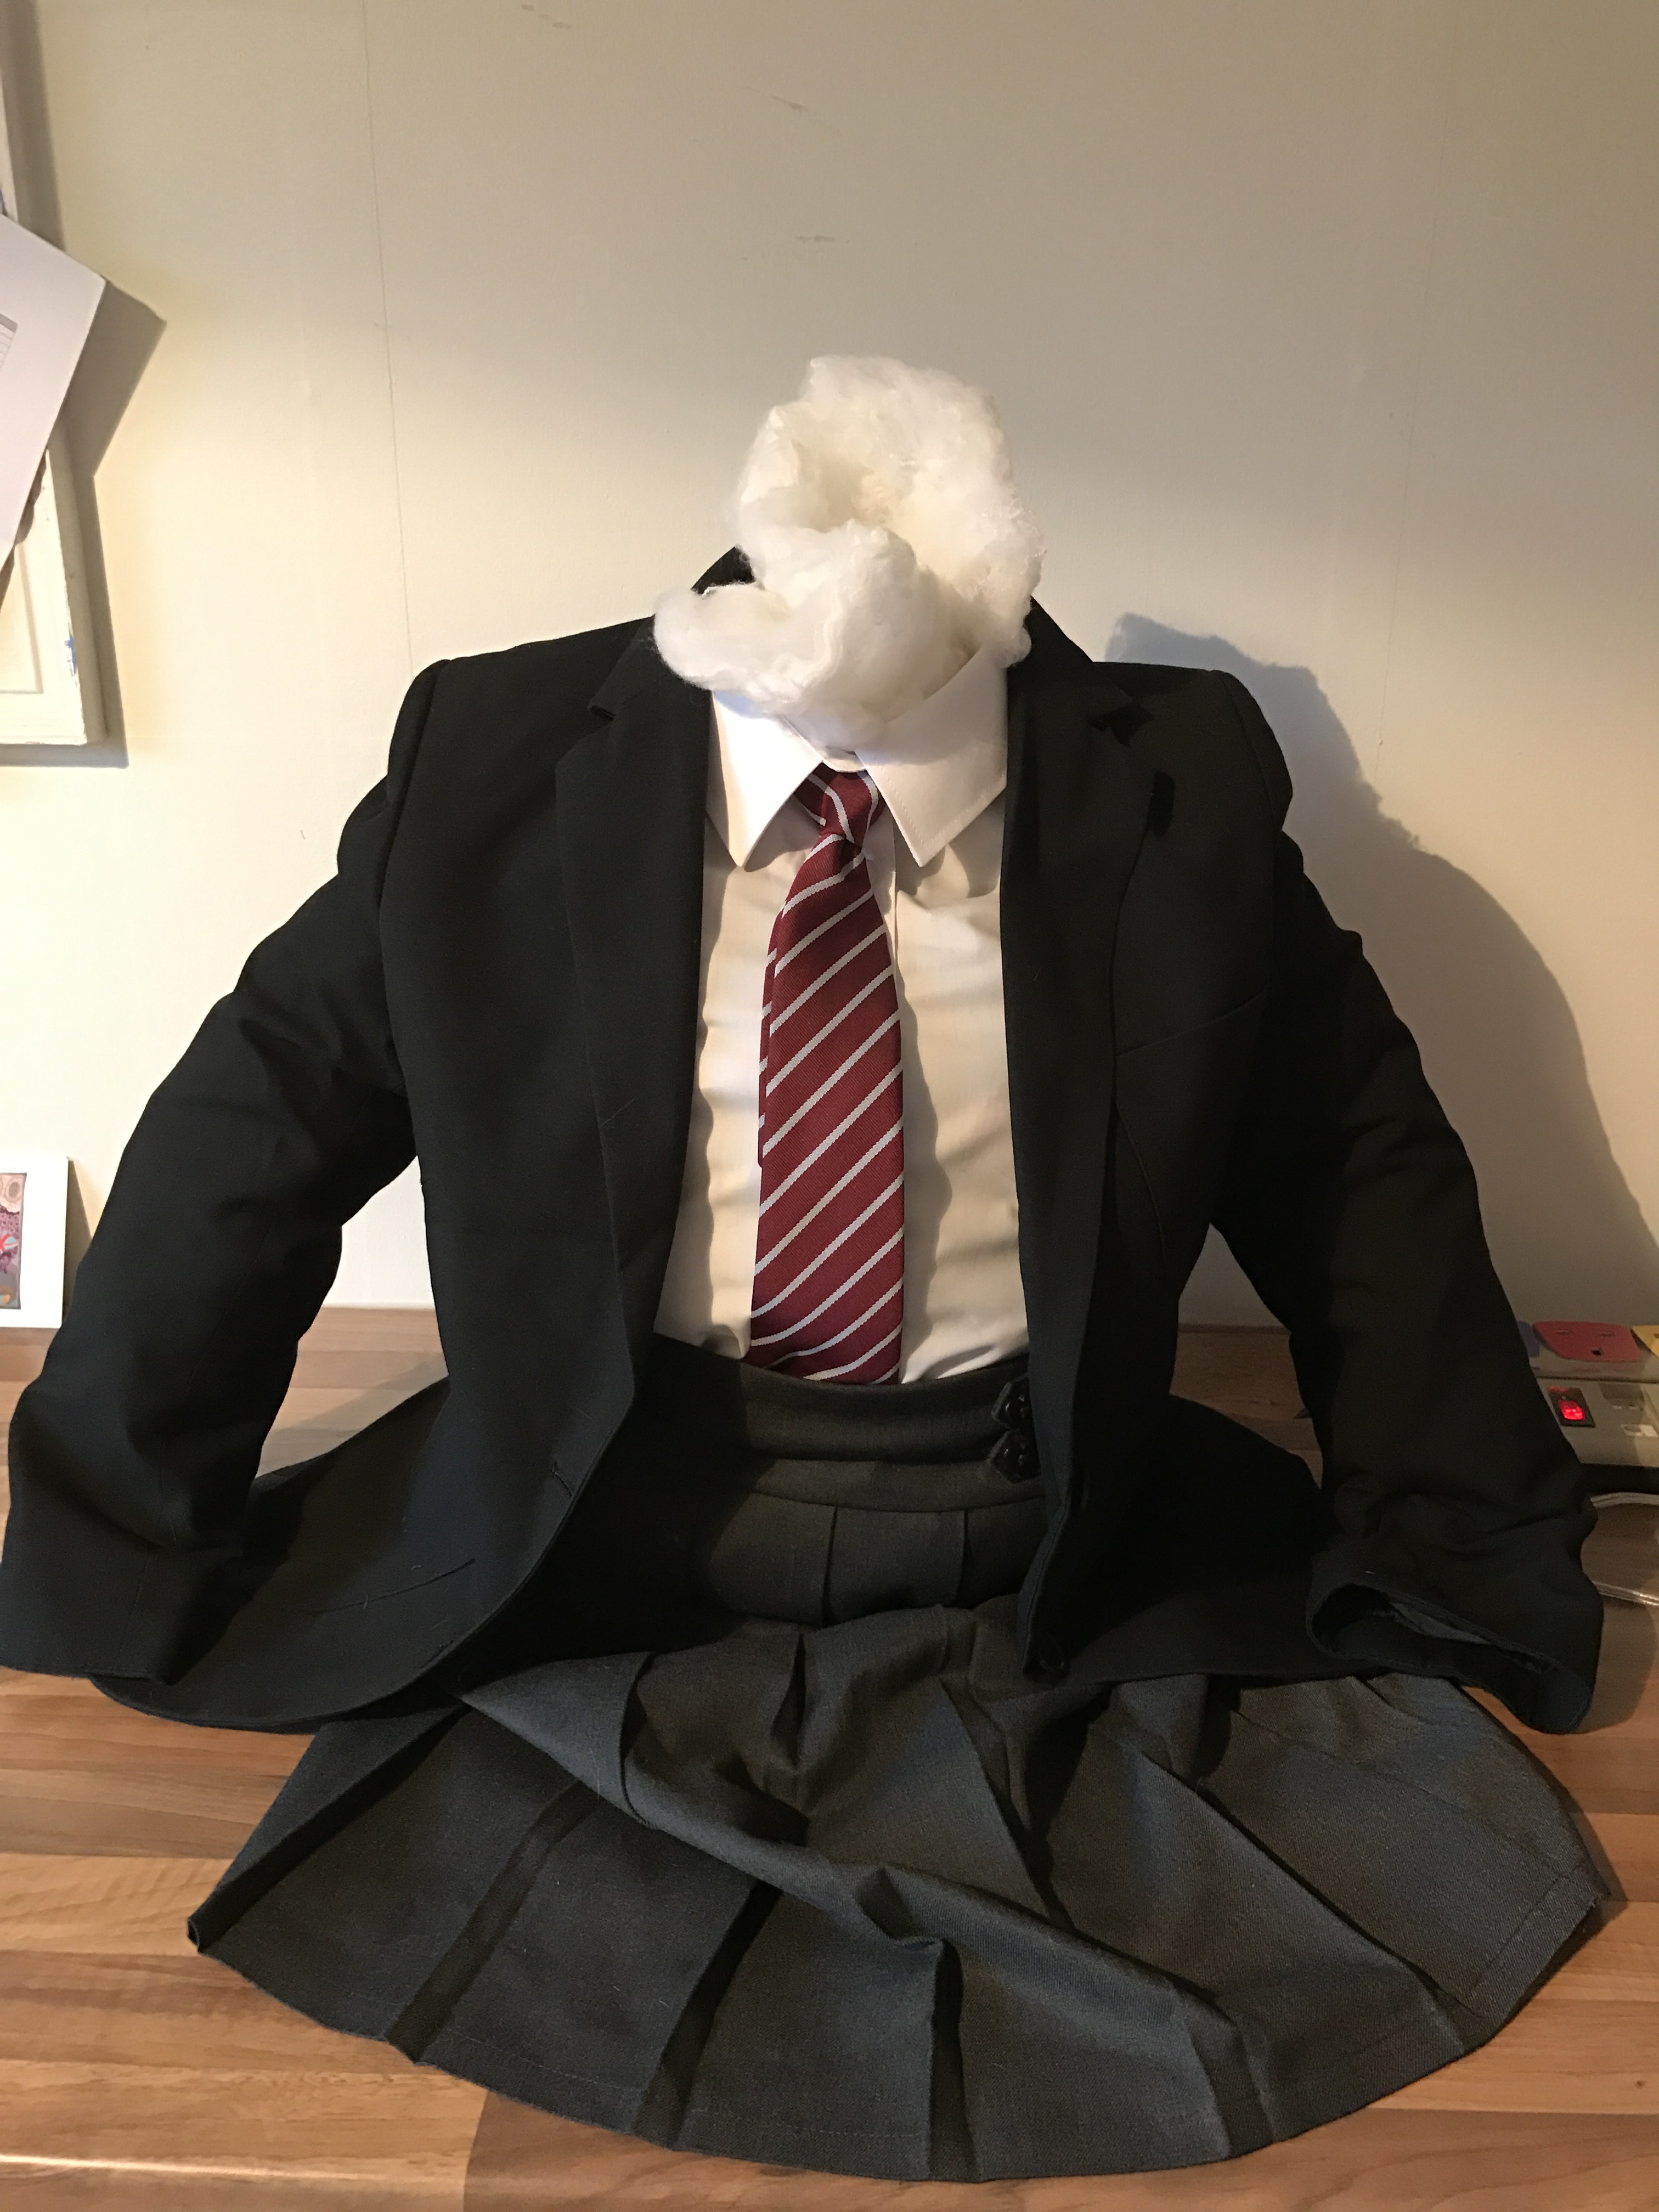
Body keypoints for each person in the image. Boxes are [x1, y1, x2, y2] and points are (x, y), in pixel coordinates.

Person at [0, 358, 1602, 2182]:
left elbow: (1355, 1169)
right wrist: (113, 1538)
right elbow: (258, 1128)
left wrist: (1460, 1542)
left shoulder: (1181, 788)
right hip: (593, 1526)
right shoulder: (496, 761)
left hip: (1045, 1532)